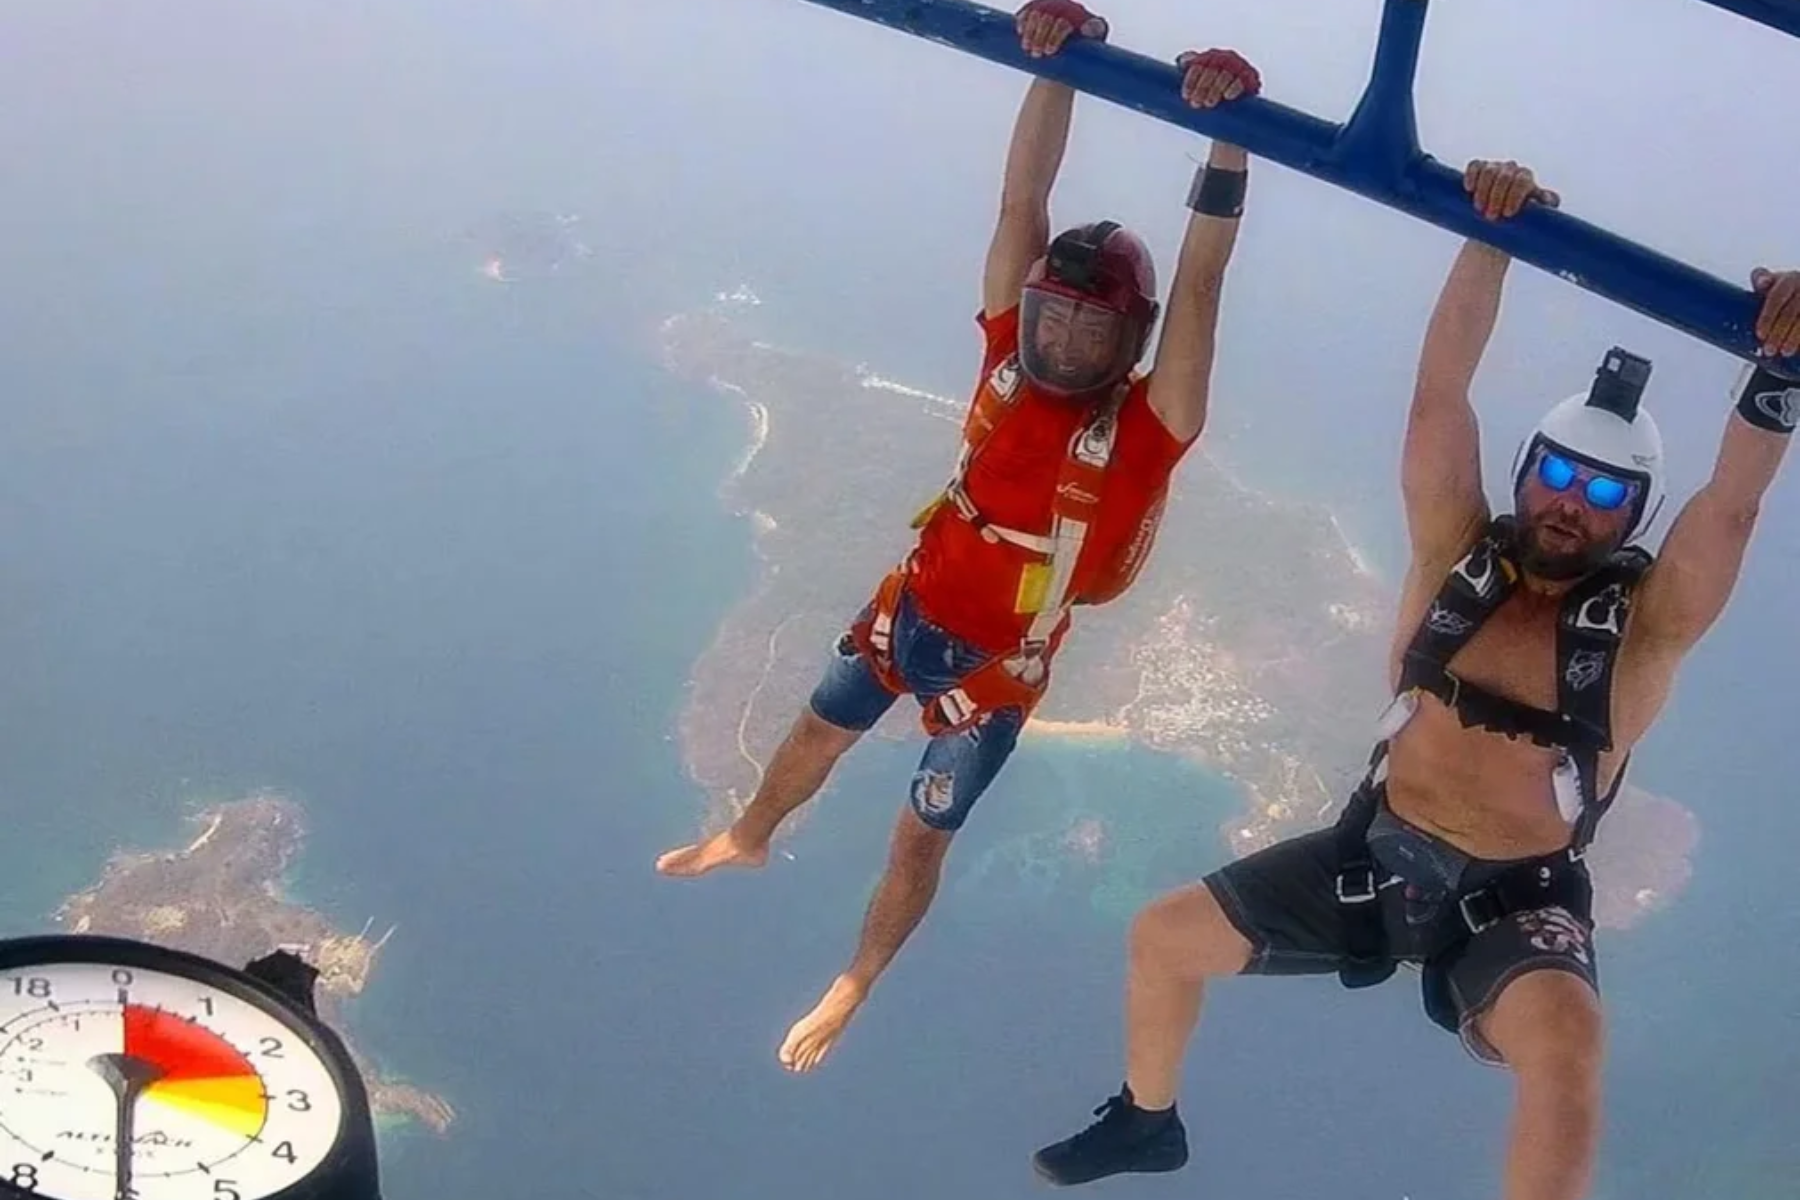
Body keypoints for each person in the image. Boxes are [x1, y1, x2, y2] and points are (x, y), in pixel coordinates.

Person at [1032, 159, 1800, 1199]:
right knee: (1160, 937)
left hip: (1514, 897)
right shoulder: (1455, 553)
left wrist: (1779, 375)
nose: (1572, 503)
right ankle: (1146, 1121)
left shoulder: (1646, 629)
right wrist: (1494, 235)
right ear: (1527, 467)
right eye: (1559, 475)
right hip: (1373, 853)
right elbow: (1441, 395)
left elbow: (1734, 511)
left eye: (1606, 494)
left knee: (1567, 1059)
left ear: (1638, 516)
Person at [654, 0, 1267, 1074]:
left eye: (1091, 329)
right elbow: (1021, 198)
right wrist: (1058, 62)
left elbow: (1202, 281)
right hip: (909, 605)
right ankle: (750, 833)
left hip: (994, 671)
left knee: (917, 835)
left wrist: (1232, 136)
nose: (1064, 341)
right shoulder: (1001, 354)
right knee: (810, 737)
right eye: (1053, 318)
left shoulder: (1146, 428)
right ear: (1029, 312)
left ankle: (853, 983)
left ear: (1129, 342)